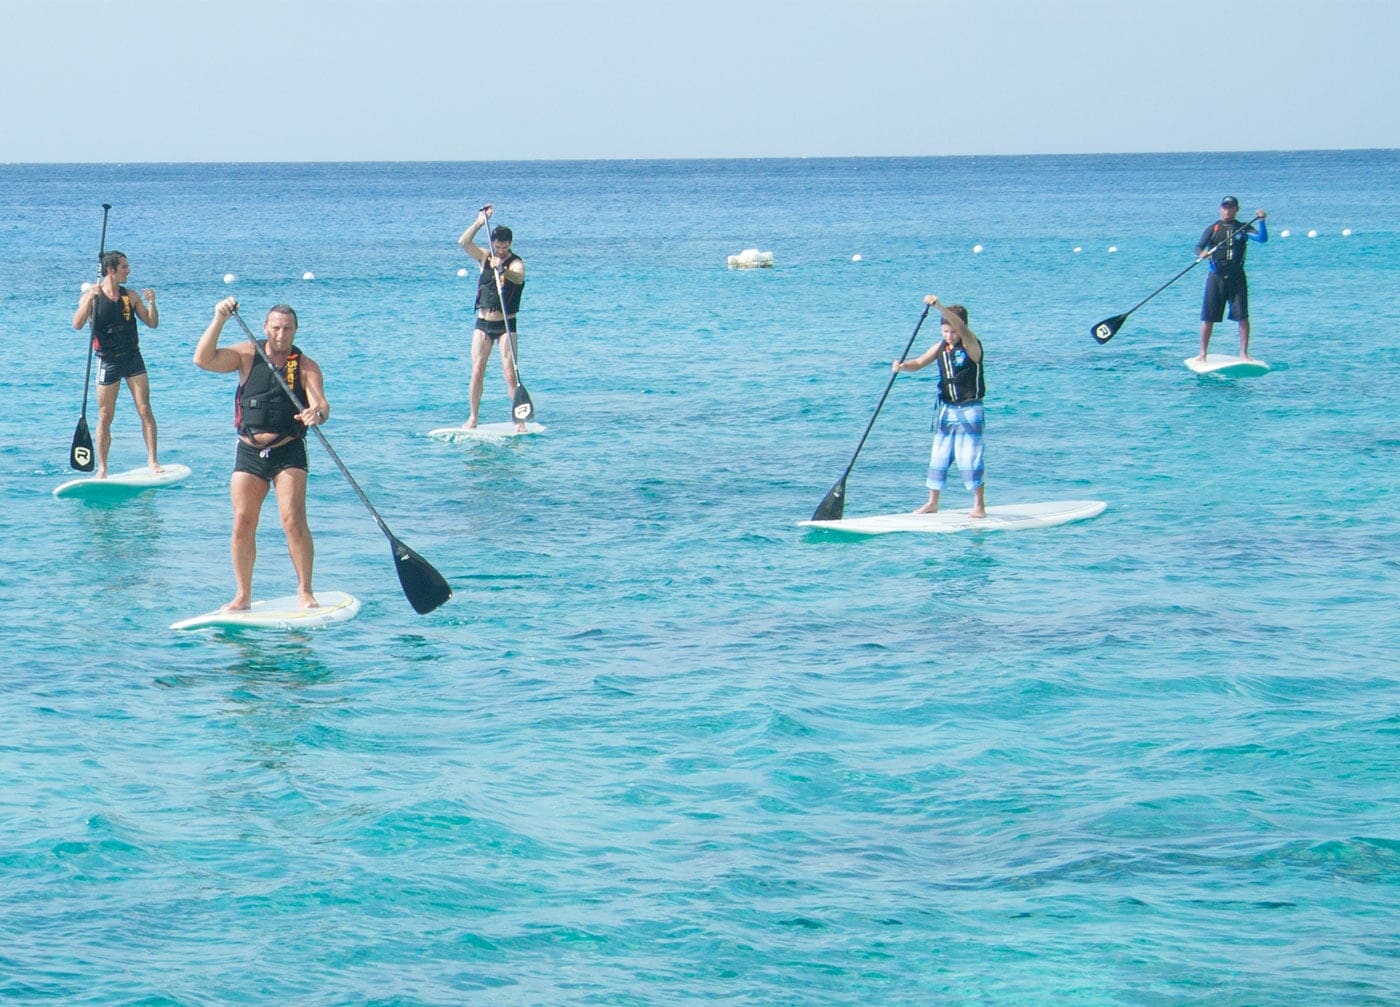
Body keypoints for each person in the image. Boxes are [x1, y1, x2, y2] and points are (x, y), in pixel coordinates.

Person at [193, 298, 329, 611]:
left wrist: (316, 414)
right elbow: (203, 359)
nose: (281, 334)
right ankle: (243, 595)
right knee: (242, 521)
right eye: (276, 328)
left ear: (295, 331)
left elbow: (321, 404)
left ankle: (305, 591)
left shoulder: (305, 366)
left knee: (292, 520)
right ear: (266, 328)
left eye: (288, 329)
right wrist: (219, 319)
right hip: (249, 451)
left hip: (288, 451)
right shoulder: (247, 354)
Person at [892, 295, 986, 518]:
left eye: (952, 332)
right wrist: (902, 366)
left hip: (970, 409)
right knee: (939, 456)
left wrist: (939, 307)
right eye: (945, 331)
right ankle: (932, 503)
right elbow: (919, 363)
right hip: (946, 410)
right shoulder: (940, 348)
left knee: (969, 458)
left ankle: (979, 506)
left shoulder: (972, 345)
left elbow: (962, 328)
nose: (949, 336)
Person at [70, 250, 161, 477]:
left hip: (132, 358)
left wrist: (152, 303)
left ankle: (152, 460)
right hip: (107, 361)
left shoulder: (130, 296)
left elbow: (152, 323)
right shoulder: (92, 296)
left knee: (145, 409)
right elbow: (77, 324)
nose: (128, 271)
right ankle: (102, 468)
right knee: (105, 415)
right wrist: (89, 301)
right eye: (124, 267)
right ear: (111, 269)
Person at [457, 204, 526, 430]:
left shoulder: (515, 262)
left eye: (505, 247)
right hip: (483, 324)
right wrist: (478, 223)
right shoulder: (485, 257)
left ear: (510, 245)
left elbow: (518, 277)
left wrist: (503, 270)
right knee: (477, 369)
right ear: (493, 244)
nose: (501, 250)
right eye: (498, 246)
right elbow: (463, 243)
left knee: (509, 374)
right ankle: (473, 417)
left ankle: (519, 421)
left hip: (506, 325)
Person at [1196, 195, 1267, 360]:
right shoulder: (1213, 228)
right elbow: (1198, 246)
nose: (1227, 210)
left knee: (1242, 316)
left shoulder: (1243, 228)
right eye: (1225, 207)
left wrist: (1261, 221)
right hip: (1216, 277)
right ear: (1220, 209)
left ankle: (1243, 353)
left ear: (1236, 209)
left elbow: (1262, 239)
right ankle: (1203, 353)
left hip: (1237, 277)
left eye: (1231, 207)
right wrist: (1202, 253)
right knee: (1208, 317)